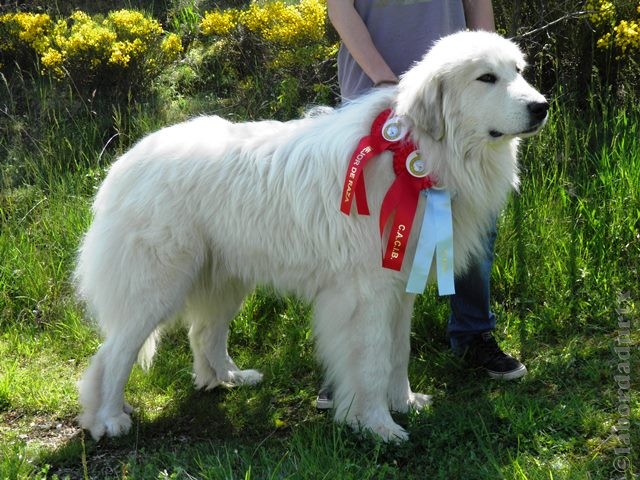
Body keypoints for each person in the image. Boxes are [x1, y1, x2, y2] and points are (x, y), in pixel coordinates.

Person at [316, 0, 526, 410]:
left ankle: (472, 334)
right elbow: (341, 9)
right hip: (377, 108)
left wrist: (488, 60)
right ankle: (348, 372)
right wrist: (382, 80)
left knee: (470, 219)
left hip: (463, 99)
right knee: (363, 256)